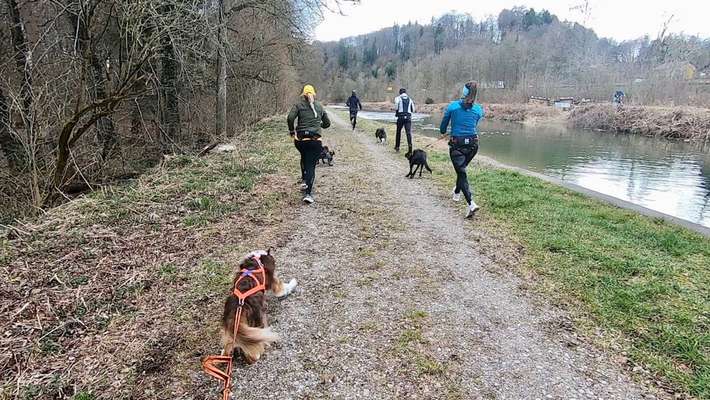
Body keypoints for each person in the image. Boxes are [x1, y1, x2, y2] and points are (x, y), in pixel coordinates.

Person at [439, 81, 484, 219]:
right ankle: (457, 192)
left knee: (462, 173)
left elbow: (442, 128)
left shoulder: (452, 107)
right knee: (462, 171)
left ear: (463, 92)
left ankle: (471, 204)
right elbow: (473, 123)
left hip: (457, 146)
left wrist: (449, 130)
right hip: (473, 146)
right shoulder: (479, 109)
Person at [287, 84, 331, 204]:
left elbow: (290, 118)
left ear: (303, 95)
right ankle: (308, 194)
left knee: (304, 157)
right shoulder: (320, 106)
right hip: (315, 141)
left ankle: (304, 181)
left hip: (300, 141)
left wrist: (292, 131)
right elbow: (327, 124)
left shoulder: (298, 105)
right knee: (311, 164)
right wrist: (318, 125)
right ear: (314, 94)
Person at [393, 88, 415, 154]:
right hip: (408, 118)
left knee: (398, 132)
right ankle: (410, 149)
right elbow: (413, 109)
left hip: (401, 117)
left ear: (400, 92)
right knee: (408, 133)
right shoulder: (410, 99)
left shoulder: (397, 98)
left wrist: (397, 111)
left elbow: (396, 107)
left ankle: (397, 147)